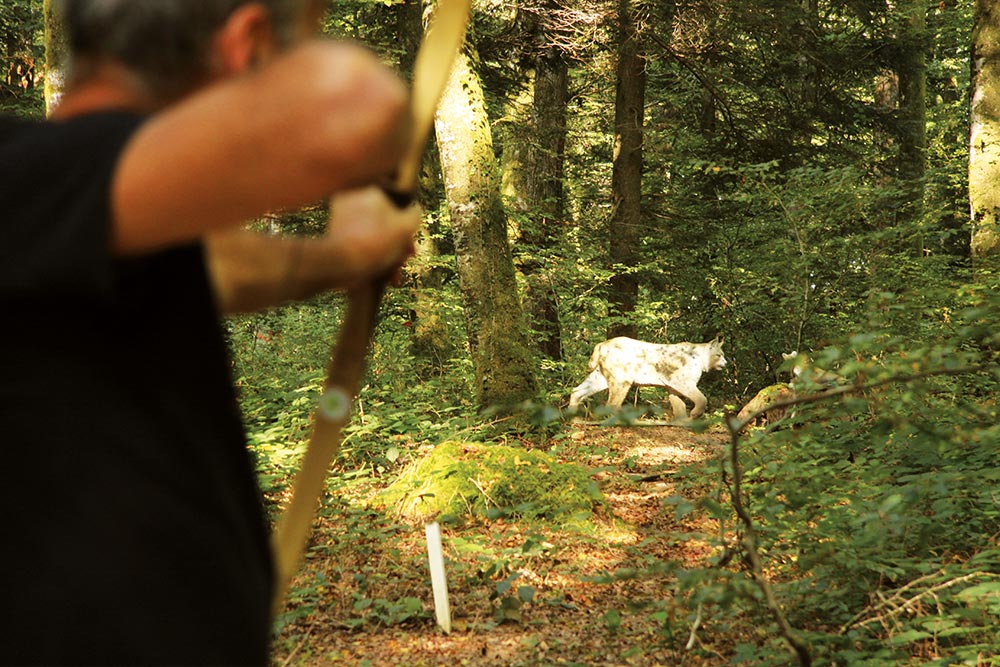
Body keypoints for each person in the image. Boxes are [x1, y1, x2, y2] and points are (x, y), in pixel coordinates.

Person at [0, 0, 420, 664]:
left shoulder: (76, 215)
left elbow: (218, 264)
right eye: (288, 54)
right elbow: (352, 103)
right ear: (249, 45)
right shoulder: (25, 171)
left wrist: (353, 255)